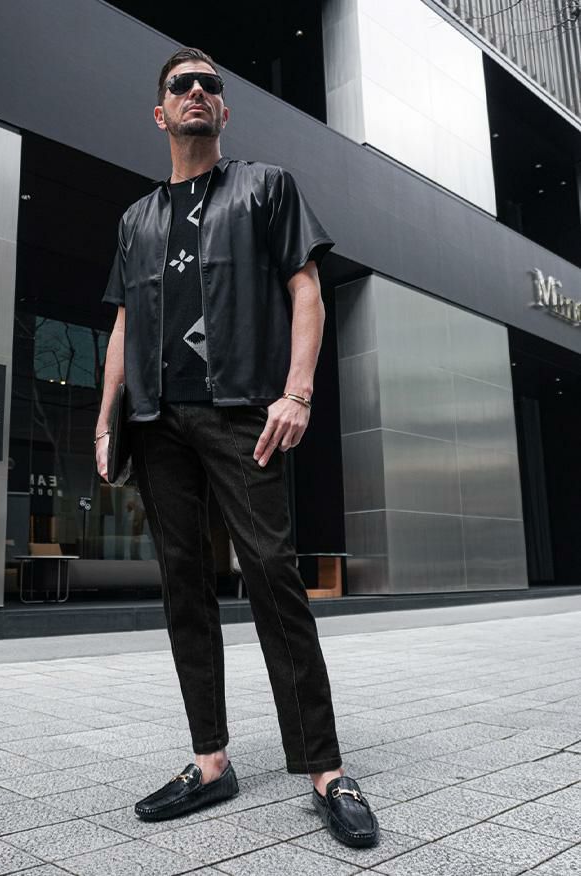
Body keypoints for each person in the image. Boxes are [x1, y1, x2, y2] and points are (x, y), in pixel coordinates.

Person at [95, 47, 378, 849]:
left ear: (223, 109)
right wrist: (106, 419)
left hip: (241, 413)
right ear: (161, 112)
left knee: (272, 576)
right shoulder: (136, 219)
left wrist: (298, 391)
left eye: (210, 84)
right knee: (183, 585)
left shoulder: (266, 187)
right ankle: (210, 761)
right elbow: (123, 323)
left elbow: (305, 289)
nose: (197, 90)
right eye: (181, 85)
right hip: (157, 423)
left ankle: (325, 770)